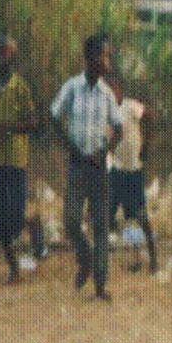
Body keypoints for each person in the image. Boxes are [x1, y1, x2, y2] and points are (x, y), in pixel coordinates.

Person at [51, 34, 122, 302]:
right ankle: (85, 255)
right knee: (71, 220)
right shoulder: (72, 87)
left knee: (101, 225)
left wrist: (106, 149)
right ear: (90, 57)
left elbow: (119, 128)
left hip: (98, 165)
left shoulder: (106, 93)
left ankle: (100, 285)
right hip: (78, 163)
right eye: (104, 56)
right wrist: (70, 147)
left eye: (109, 56)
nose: (107, 62)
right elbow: (55, 115)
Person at [0, 37, 38, 284]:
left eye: (8, 54)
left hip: (15, 160)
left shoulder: (19, 87)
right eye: (0, 53)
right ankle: (13, 267)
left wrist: (8, 129)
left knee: (15, 216)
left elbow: (33, 123)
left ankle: (33, 227)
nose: (3, 58)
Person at [106, 74, 157, 274]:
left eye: (113, 88)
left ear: (119, 88)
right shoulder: (108, 112)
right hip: (117, 169)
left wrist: (146, 145)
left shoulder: (129, 106)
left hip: (134, 169)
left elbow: (150, 116)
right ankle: (136, 258)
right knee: (126, 217)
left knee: (141, 216)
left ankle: (153, 257)